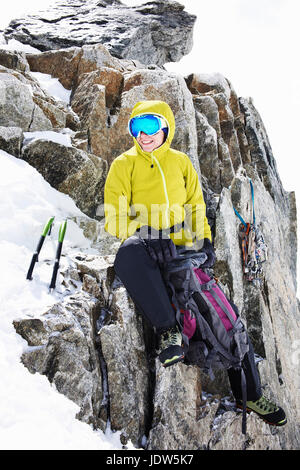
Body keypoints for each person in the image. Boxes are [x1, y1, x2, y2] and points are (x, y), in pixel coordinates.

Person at [104, 100, 287, 427]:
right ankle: (170, 332)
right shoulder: (124, 164)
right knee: (126, 256)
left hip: (183, 241)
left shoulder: (181, 162)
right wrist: (146, 231)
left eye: (149, 127)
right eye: (136, 128)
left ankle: (249, 392)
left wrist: (205, 246)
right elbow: (114, 218)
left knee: (218, 310)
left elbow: (196, 208)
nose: (142, 135)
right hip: (145, 240)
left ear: (165, 127)